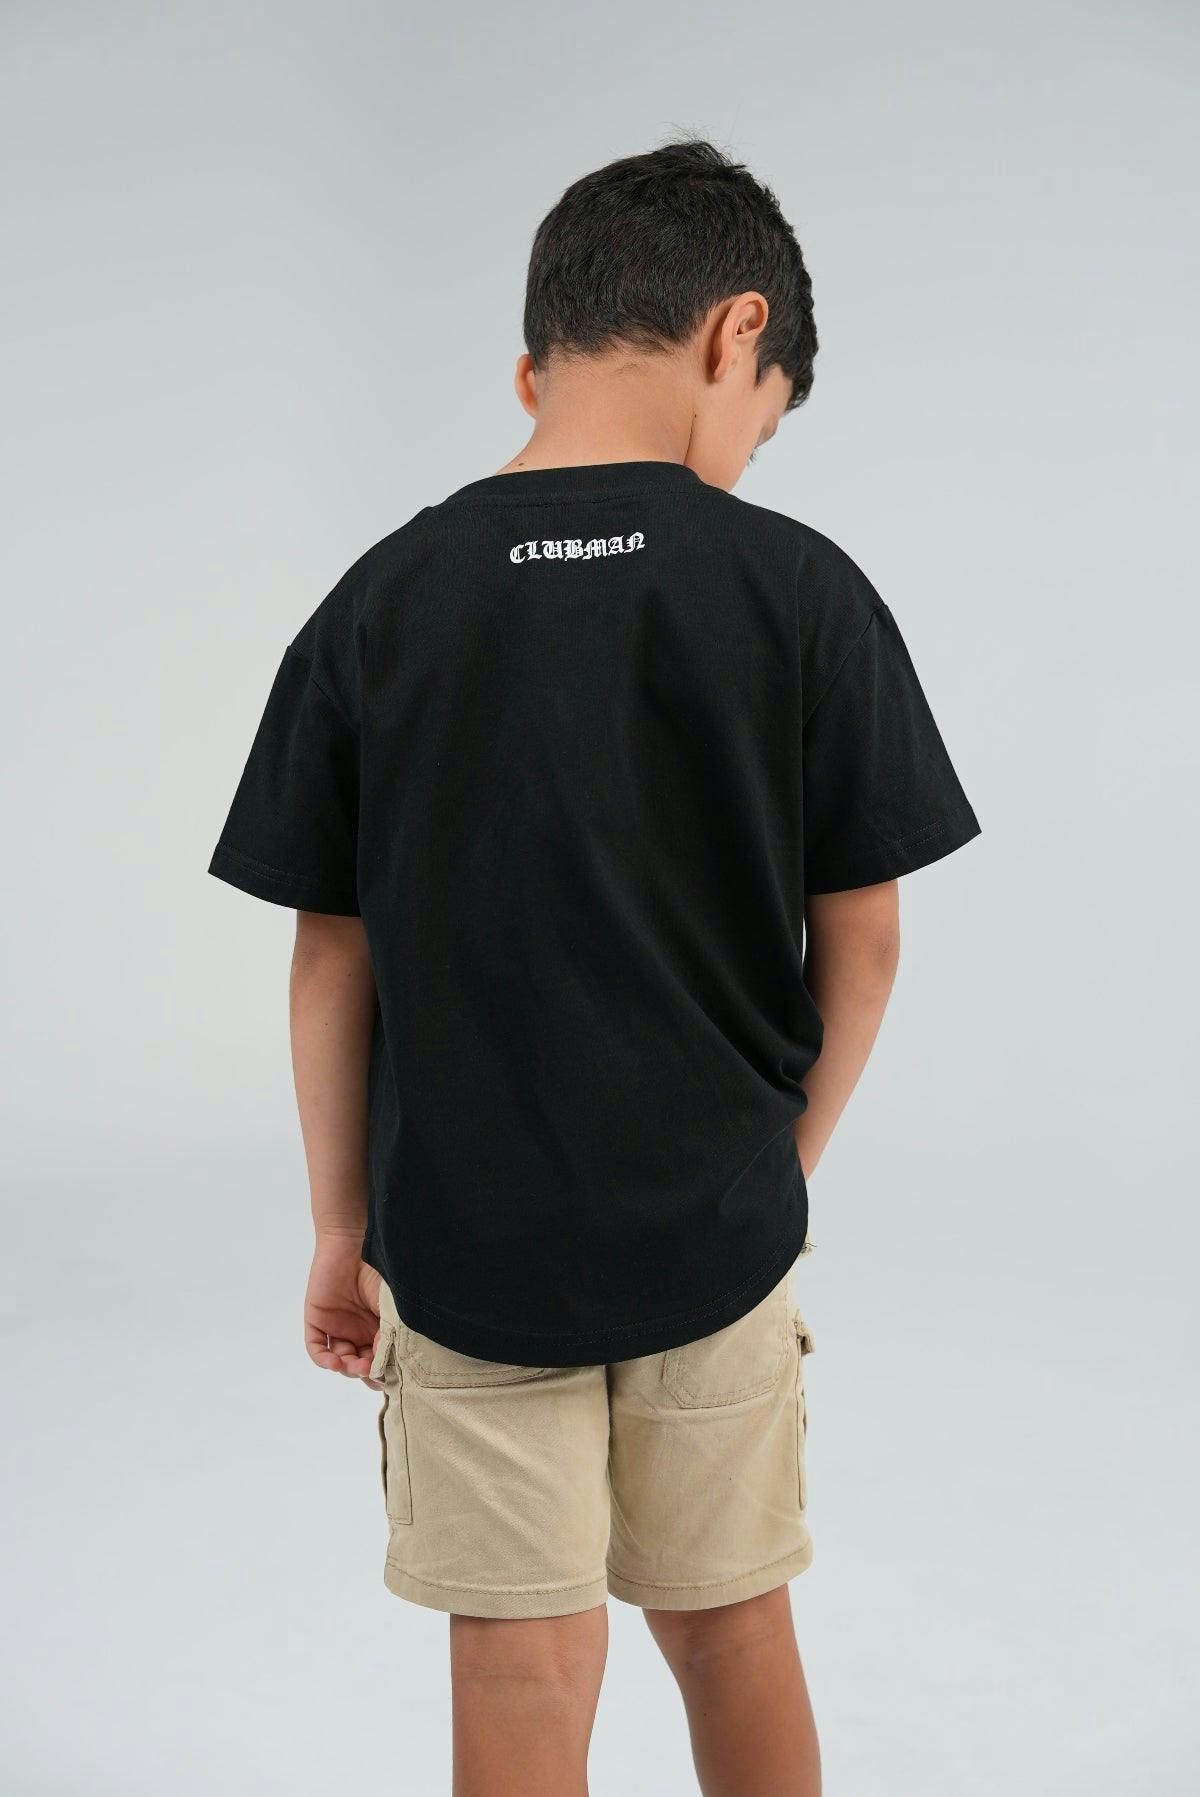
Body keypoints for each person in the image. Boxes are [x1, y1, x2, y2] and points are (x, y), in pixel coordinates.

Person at [208, 139, 980, 1797]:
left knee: (521, 1655)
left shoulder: (384, 602)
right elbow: (867, 935)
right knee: (733, 1624)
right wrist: (779, 1165)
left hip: (466, 1244)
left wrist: (341, 1226)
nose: (748, 459)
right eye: (764, 420)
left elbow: (329, 952)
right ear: (736, 331)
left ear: (532, 368)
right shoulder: (799, 592)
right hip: (714, 1231)